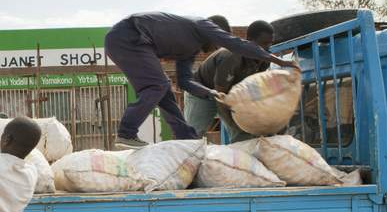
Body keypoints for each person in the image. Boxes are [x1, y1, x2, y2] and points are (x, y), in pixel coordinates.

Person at [104, 12, 298, 149]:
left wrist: (210, 92)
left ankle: (187, 140)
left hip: (130, 41)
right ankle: (126, 132)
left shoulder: (189, 49)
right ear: (214, 32)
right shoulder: (202, 25)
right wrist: (277, 60)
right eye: (217, 41)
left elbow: (185, 82)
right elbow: (236, 44)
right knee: (158, 85)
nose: (215, 47)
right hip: (129, 35)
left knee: (165, 91)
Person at [183, 20, 276, 143]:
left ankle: (242, 160)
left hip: (230, 93)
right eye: (264, 43)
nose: (267, 48)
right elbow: (220, 98)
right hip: (202, 93)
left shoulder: (264, 59)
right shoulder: (231, 56)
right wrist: (234, 124)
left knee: (243, 136)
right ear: (249, 40)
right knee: (194, 136)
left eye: (270, 43)